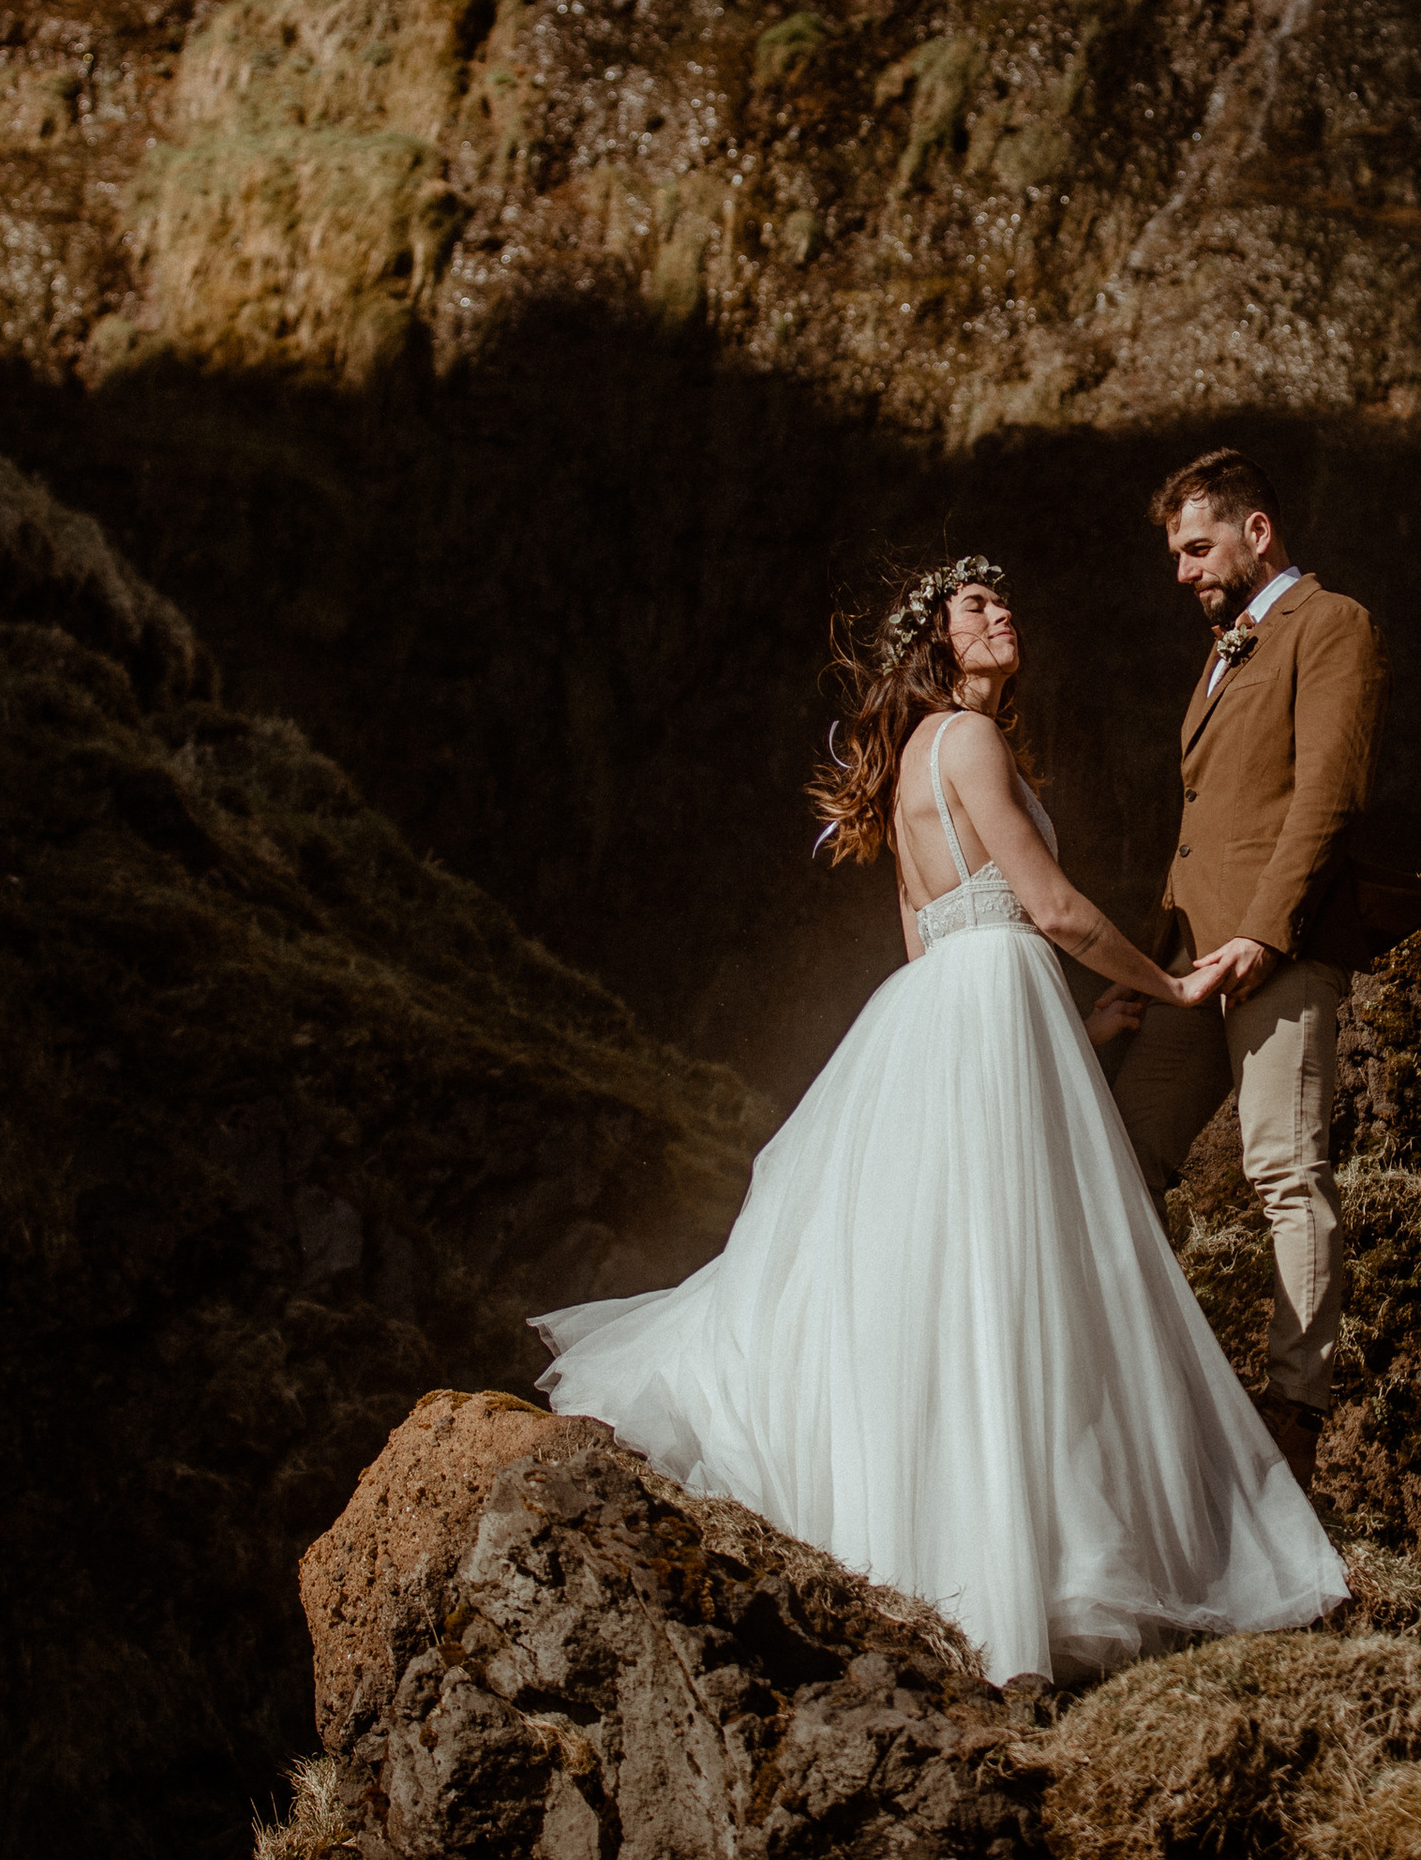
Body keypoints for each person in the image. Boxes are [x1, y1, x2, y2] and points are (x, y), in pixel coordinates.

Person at [531, 553, 1348, 1684]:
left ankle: (954, 1550)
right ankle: (1039, 1552)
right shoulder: (968, 741)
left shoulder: (913, 760)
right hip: (991, 1008)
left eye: (1006, 597)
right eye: (976, 604)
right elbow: (1051, 907)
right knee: (1019, 1279)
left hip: (942, 1016)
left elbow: (930, 939)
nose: (1001, 610)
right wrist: (1165, 993)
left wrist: (1080, 1028)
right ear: (935, 641)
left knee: (949, 1279)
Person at [1101, 450, 1389, 1499]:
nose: (1181, 571)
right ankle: (1136, 1376)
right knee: (1121, 1157)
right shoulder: (1228, 647)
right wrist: (1153, 956)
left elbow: (1327, 794)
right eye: (1175, 552)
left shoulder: (1331, 623)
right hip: (1187, 959)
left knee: (1283, 1172)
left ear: (1256, 530)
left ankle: (1292, 1413)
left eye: (1196, 546)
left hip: (1275, 952)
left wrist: (1265, 934)